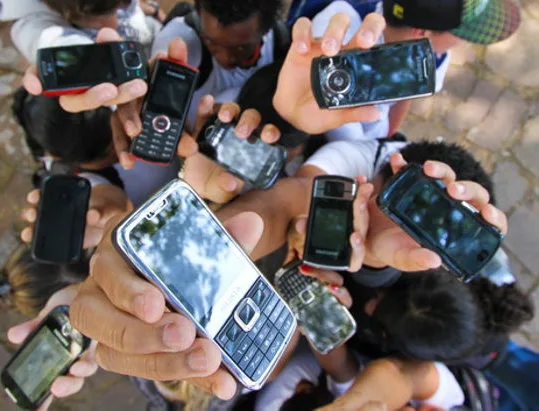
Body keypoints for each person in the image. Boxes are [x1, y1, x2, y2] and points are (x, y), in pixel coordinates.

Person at [302, 0, 521, 142]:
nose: (463, 42)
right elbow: (347, 142)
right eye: (463, 34)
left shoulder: (435, 54)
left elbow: (408, 97)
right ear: (422, 32)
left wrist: (388, 135)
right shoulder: (335, 38)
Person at [151, 0, 289, 132]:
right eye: (211, 42)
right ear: (199, 15)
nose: (225, 58)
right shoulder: (179, 42)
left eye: (241, 48)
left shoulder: (281, 43)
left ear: (265, 30)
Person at [10, 0, 161, 63]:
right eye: (96, 17)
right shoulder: (33, 27)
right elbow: (56, 46)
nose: (112, 25)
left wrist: (155, 11)